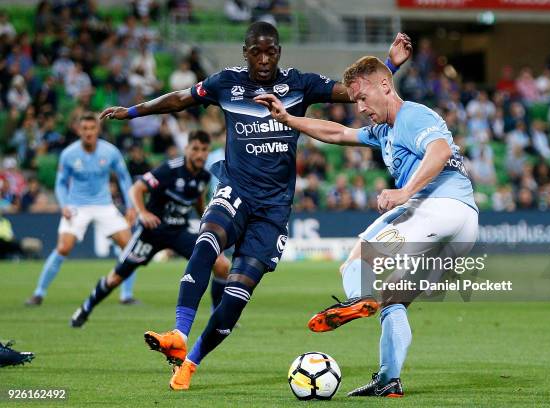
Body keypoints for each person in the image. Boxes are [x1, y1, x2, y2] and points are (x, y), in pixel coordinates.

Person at [100, 21, 412, 390]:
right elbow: (181, 98)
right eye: (257, 52)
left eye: (271, 52)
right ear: (245, 52)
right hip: (235, 189)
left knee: (235, 297)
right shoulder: (224, 83)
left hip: (274, 209)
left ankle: (190, 363)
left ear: (279, 52)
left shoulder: (300, 83)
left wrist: (389, 67)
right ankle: (178, 334)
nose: (264, 59)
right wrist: (132, 112)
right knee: (207, 243)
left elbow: (352, 93)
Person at [254, 55, 478, 397]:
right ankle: (389, 379)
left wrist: (405, 191)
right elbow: (338, 132)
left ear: (385, 86)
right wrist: (288, 119)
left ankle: (358, 297)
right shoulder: (384, 131)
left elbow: (439, 149)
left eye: (362, 97)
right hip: (463, 227)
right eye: (355, 99)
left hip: (438, 207)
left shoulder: (412, 115)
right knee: (394, 300)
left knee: (357, 257)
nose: (359, 106)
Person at [70, 131, 231, 328]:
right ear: (186, 149)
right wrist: (142, 212)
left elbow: (198, 200)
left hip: (178, 232)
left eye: (204, 150)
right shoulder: (169, 169)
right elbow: (136, 189)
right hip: (151, 232)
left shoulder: (204, 176)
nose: (199, 154)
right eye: (195, 149)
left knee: (222, 264)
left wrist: (208, 222)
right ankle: (85, 308)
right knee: (116, 278)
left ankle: (217, 316)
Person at [25, 113, 137, 306]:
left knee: (129, 247)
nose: (88, 133)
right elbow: (60, 184)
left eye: (92, 129)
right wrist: (64, 205)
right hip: (77, 206)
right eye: (84, 129)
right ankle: (38, 293)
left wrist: (130, 206)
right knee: (63, 247)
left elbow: (124, 178)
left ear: (98, 130)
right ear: (79, 130)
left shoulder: (110, 152)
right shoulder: (69, 154)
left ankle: (126, 296)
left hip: (104, 205)